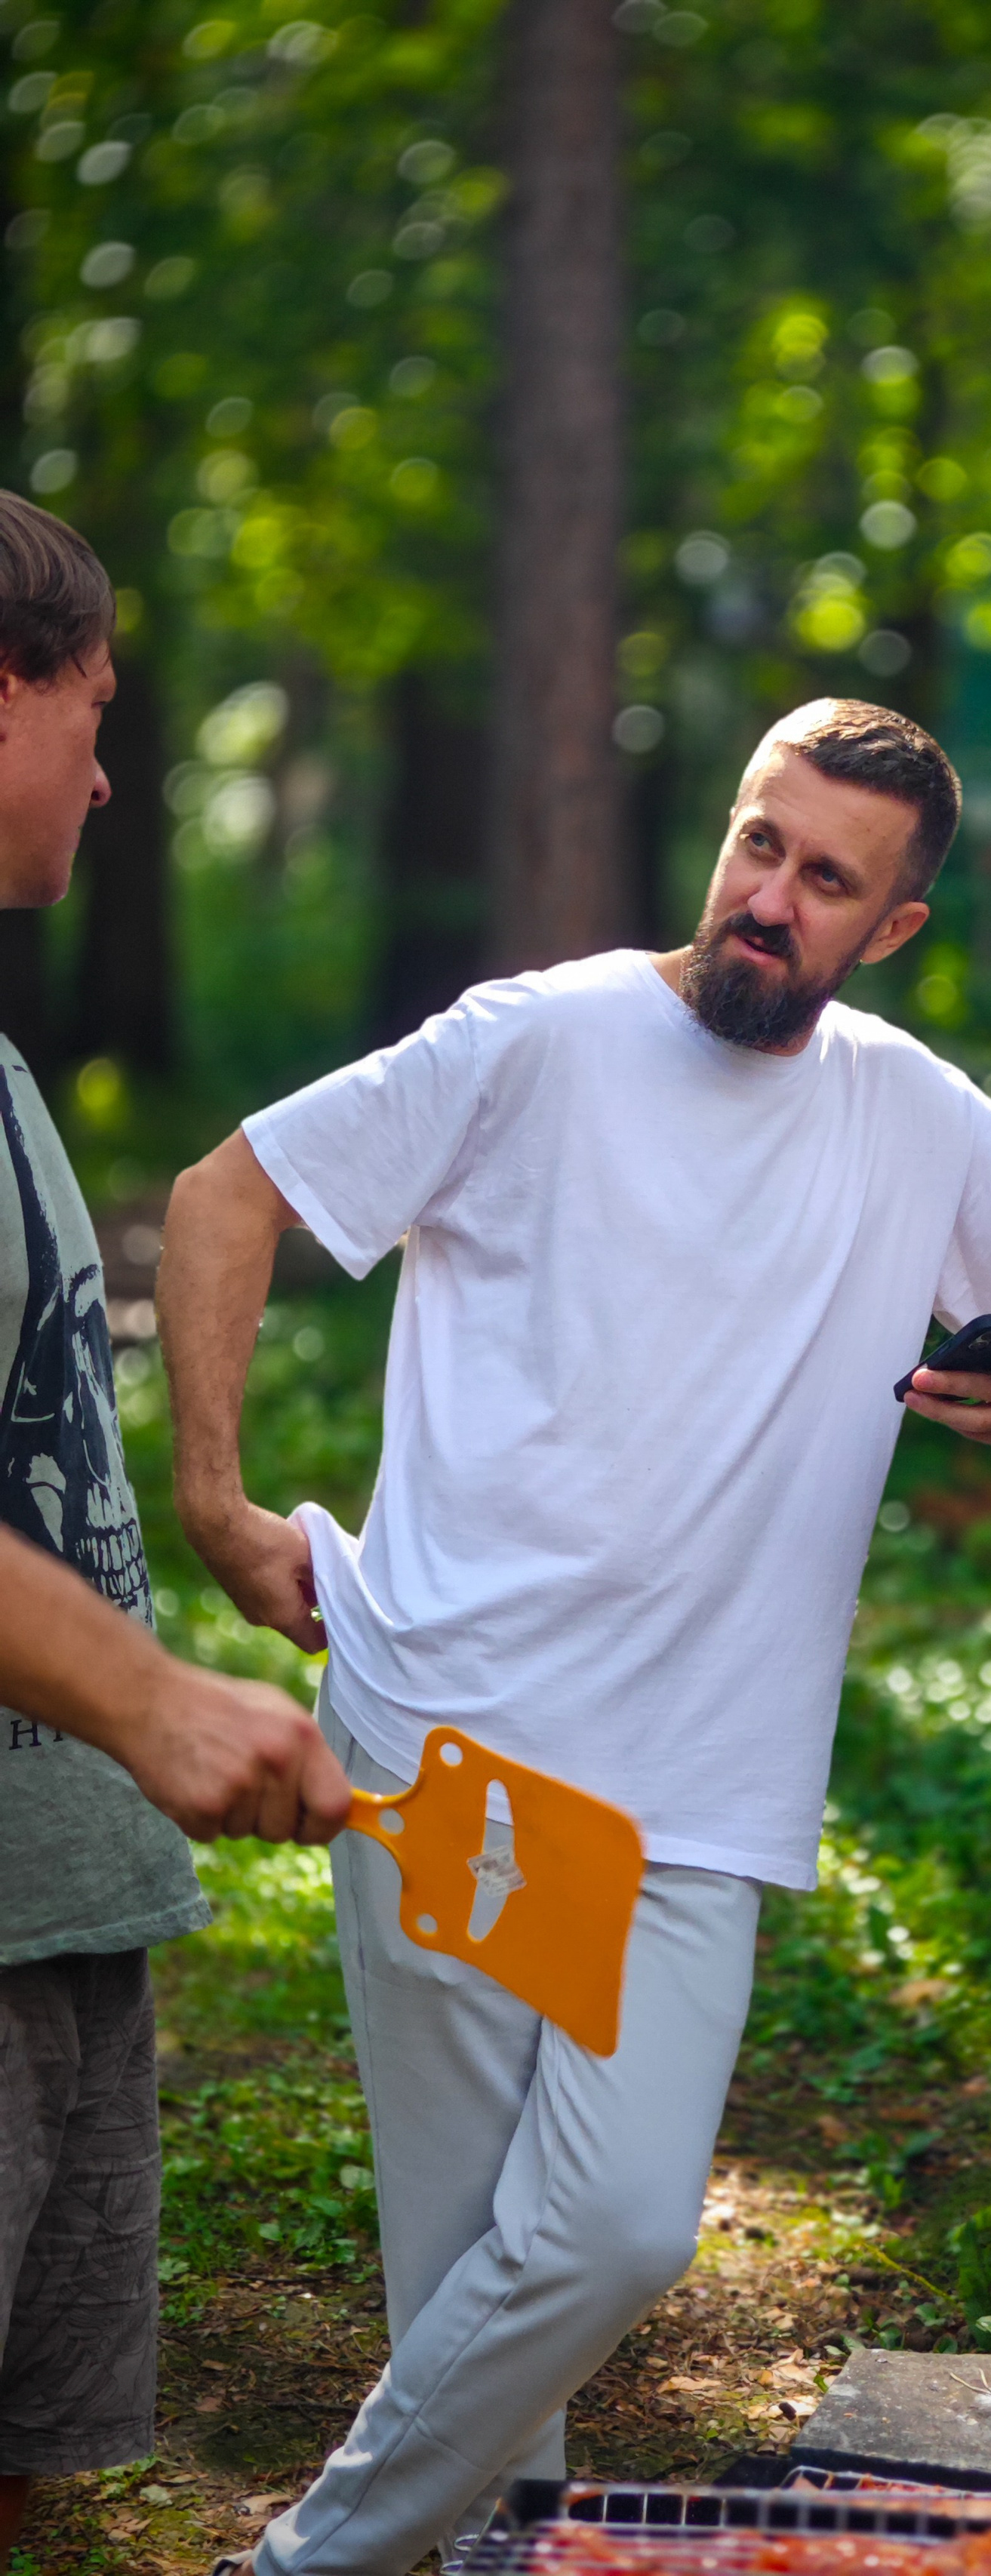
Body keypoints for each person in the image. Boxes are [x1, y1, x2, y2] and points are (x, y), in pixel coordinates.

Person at [158, 696, 991, 2575]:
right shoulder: (535, 1040)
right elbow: (225, 1195)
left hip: (689, 1793)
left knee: (617, 2230)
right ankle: (480, 2551)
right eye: (754, 844)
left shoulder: (911, 1110)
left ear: (889, 927)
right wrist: (218, 1507)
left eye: (823, 881)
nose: (765, 899)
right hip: (442, 1736)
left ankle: (303, 2564)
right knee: (476, 2285)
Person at [0, 491, 349, 2570]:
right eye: (94, 708)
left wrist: (204, 1532)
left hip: (62, 1910)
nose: (114, 768)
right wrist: (152, 1695)